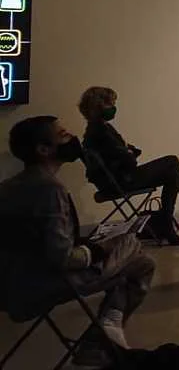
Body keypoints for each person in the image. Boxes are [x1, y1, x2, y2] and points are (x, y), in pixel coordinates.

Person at [0, 116, 158, 367]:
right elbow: (63, 258)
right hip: (45, 283)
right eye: (63, 135)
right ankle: (101, 339)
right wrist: (99, 248)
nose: (72, 138)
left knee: (131, 264)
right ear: (43, 150)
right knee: (135, 252)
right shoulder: (50, 189)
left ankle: (103, 337)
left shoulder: (7, 187)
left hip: (9, 285)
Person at [79, 86, 179, 246]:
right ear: (98, 106)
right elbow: (128, 160)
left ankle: (171, 219)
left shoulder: (93, 130)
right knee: (172, 162)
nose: (113, 108)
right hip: (123, 180)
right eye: (110, 104)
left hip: (116, 181)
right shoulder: (101, 131)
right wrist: (128, 152)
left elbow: (121, 154)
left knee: (172, 173)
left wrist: (127, 151)